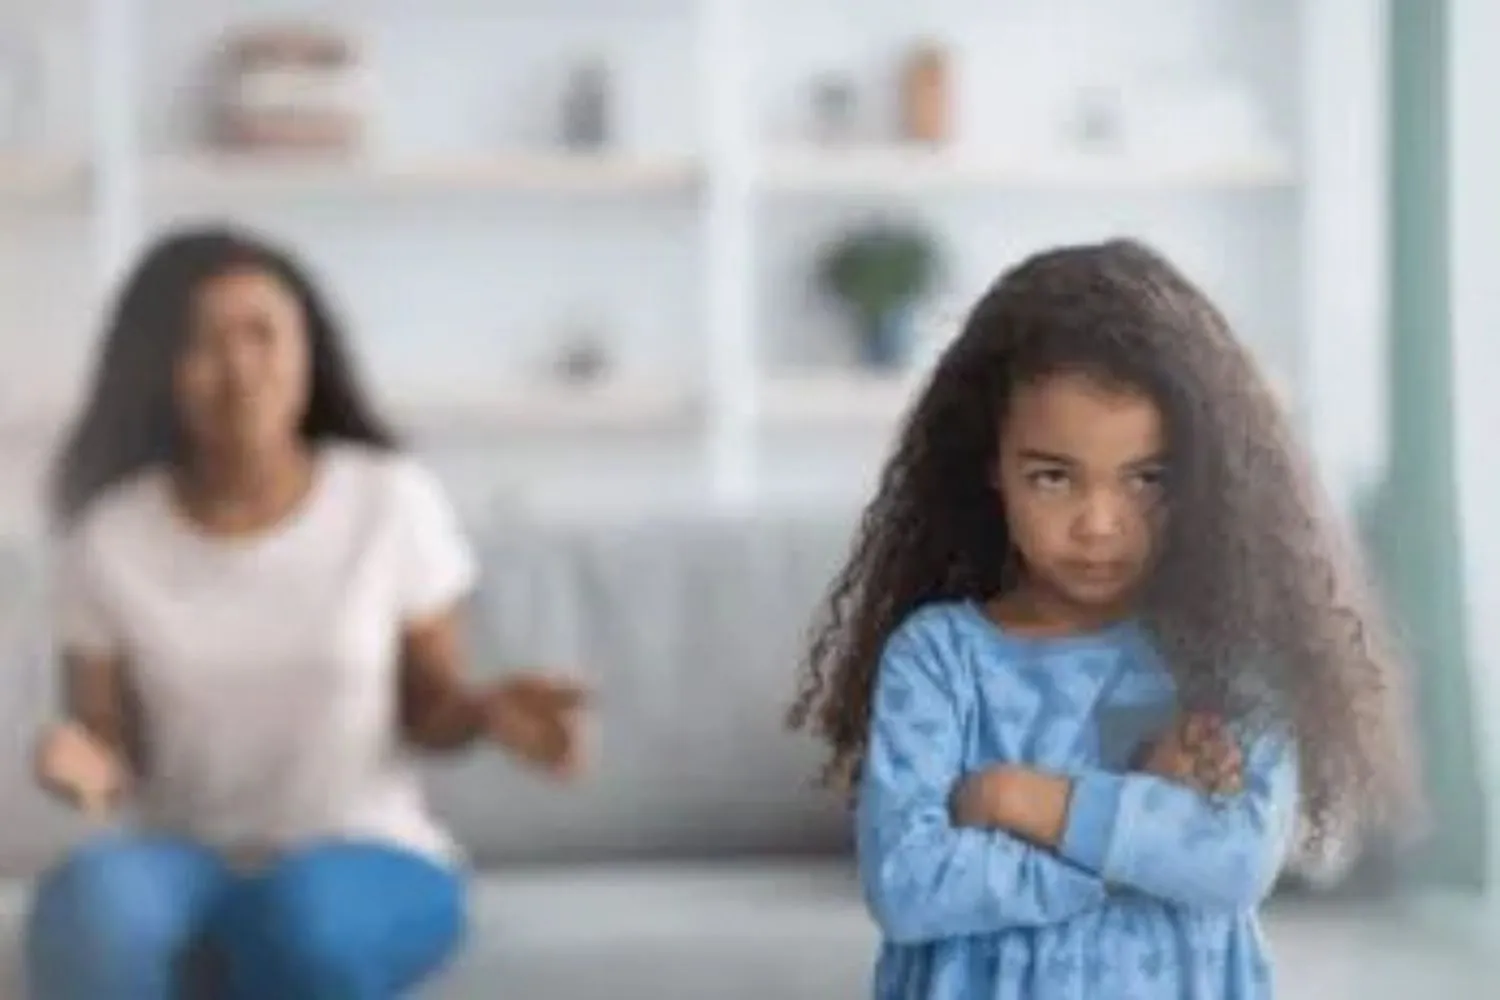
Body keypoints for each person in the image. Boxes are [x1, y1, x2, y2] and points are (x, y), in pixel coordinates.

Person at [788, 239, 1416, 999]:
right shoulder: (939, 659)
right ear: (993, 464)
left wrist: (1026, 801)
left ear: (1202, 474)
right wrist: (1139, 839)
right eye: (1054, 477)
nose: (1098, 523)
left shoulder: (1224, 658)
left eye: (1145, 479)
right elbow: (909, 885)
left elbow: (1234, 864)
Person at [25, 225, 589, 999]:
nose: (240, 368)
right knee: (90, 907)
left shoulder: (389, 500)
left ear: (307, 355)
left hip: (366, 854)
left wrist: (490, 712)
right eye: (204, 343)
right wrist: (81, 762)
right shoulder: (108, 538)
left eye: (263, 335)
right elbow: (106, 744)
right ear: (159, 371)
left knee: (298, 924)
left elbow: (429, 706)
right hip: (181, 860)